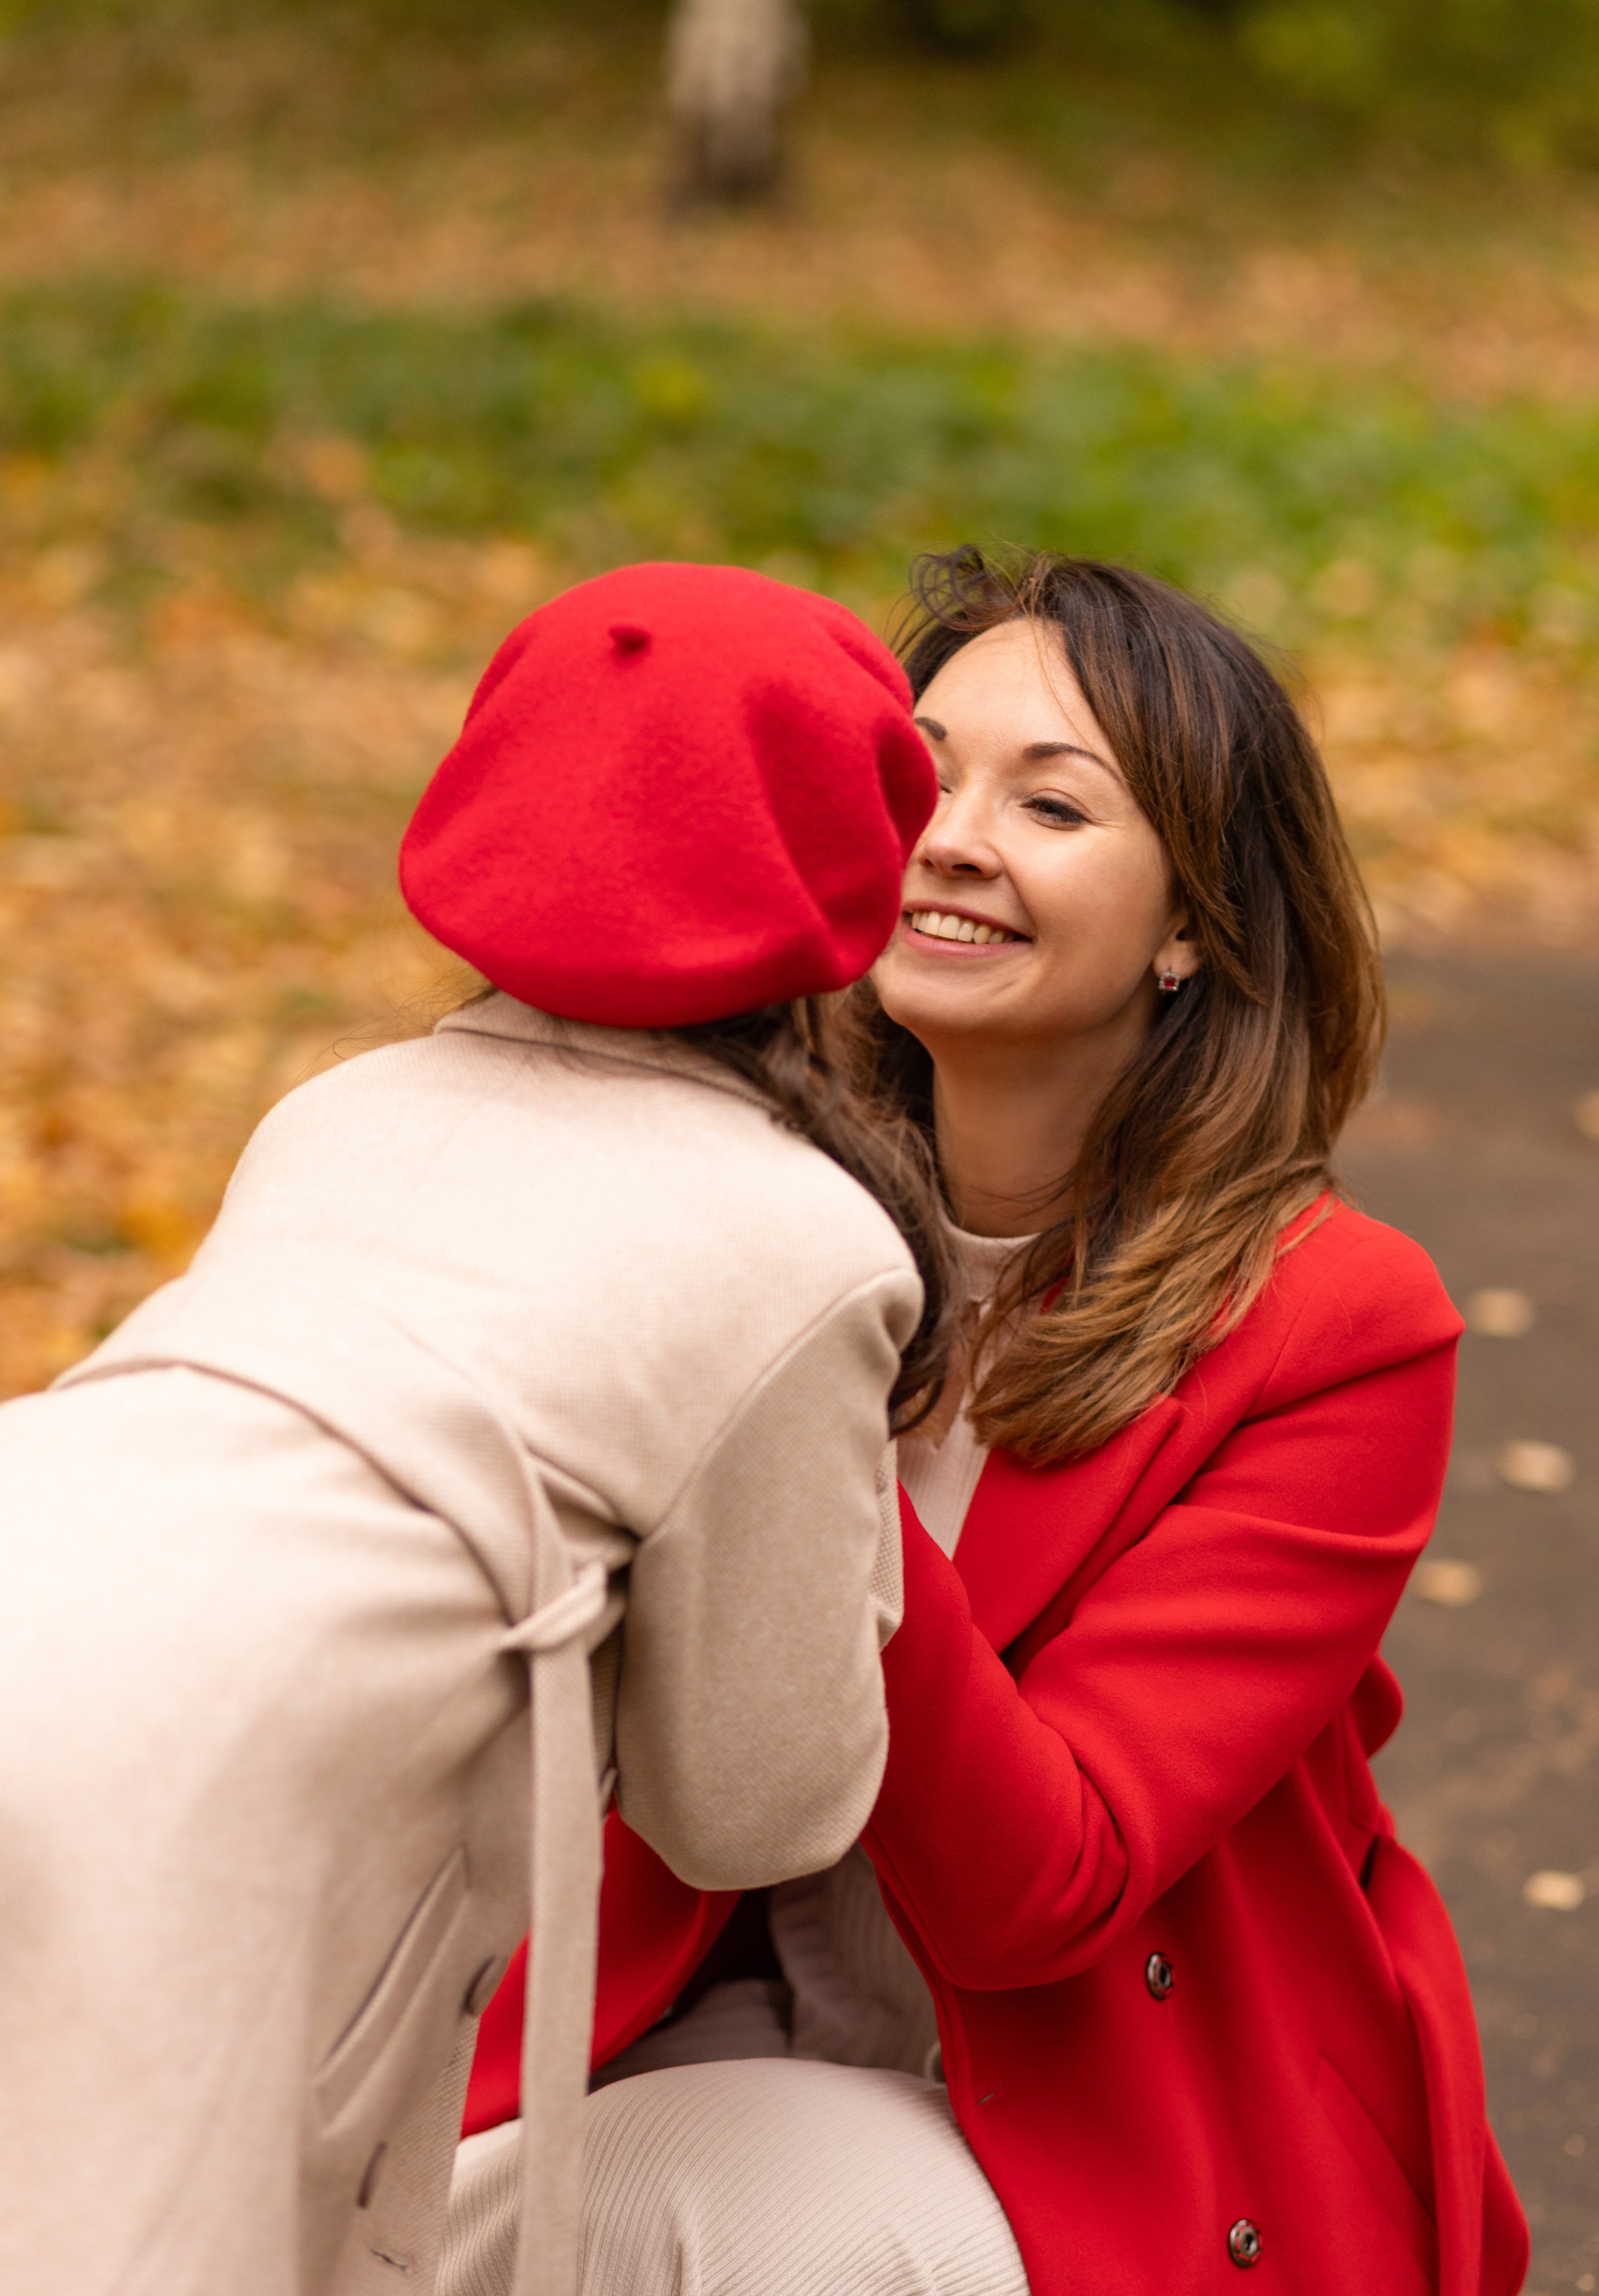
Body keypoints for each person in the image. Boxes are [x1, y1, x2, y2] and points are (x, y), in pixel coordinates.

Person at [448, 550, 1531, 2296]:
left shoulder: (1337, 1324)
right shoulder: (726, 1192)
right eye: (920, 775)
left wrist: (799, 1420)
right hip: (710, 2025)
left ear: (1190, 925)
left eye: (1052, 803)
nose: (950, 836)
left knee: (683, 2217)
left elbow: (1045, 1889)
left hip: (1107, 2127)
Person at [0, 561, 960, 2296]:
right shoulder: (806, 1241)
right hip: (188, 1773)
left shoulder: (338, 1110)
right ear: (849, 867)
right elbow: (760, 1804)